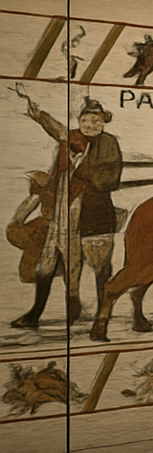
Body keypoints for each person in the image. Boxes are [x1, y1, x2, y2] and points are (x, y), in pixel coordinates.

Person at [11, 94, 122, 328]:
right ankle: (36, 313)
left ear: (103, 122)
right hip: (62, 215)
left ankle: (102, 316)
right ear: (79, 121)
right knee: (45, 267)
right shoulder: (70, 140)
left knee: (100, 267)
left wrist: (82, 167)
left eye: (96, 121)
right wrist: (38, 116)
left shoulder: (109, 143)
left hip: (94, 215)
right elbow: (56, 130)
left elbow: (110, 178)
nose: (91, 125)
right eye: (86, 121)